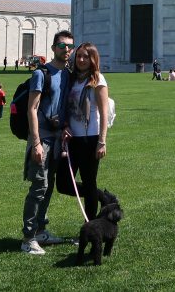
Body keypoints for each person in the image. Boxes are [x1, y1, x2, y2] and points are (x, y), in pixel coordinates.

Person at [21, 30, 73, 255]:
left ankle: (41, 230)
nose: (67, 49)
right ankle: (28, 238)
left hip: (57, 139)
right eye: (62, 46)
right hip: (42, 139)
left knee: (48, 185)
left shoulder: (69, 74)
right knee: (38, 187)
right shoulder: (41, 74)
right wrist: (36, 143)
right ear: (53, 48)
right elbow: (31, 109)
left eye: (70, 46)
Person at [56, 42, 109, 221]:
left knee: (89, 181)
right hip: (71, 139)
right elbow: (66, 107)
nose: (81, 60)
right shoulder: (72, 79)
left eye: (86, 56)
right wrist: (65, 126)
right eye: (78, 56)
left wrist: (102, 141)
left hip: (90, 138)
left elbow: (104, 113)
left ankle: (91, 226)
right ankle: (99, 196)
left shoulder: (97, 80)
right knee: (63, 184)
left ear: (93, 59)